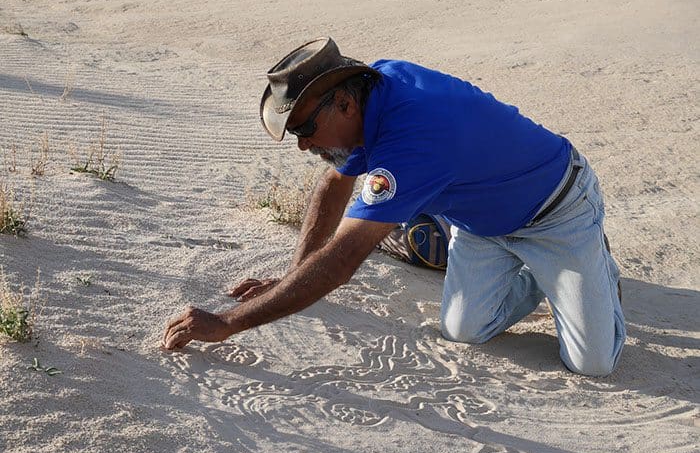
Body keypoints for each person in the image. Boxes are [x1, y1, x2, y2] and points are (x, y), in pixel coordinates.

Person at [162, 37, 625, 376]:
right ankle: (548, 279)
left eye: (304, 131)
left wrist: (226, 323)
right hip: (480, 226)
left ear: (342, 102)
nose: (303, 147)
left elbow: (341, 264)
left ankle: (594, 265)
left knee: (593, 362)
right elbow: (333, 184)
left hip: (556, 210)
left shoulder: (414, 136)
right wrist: (292, 274)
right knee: (464, 330)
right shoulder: (374, 90)